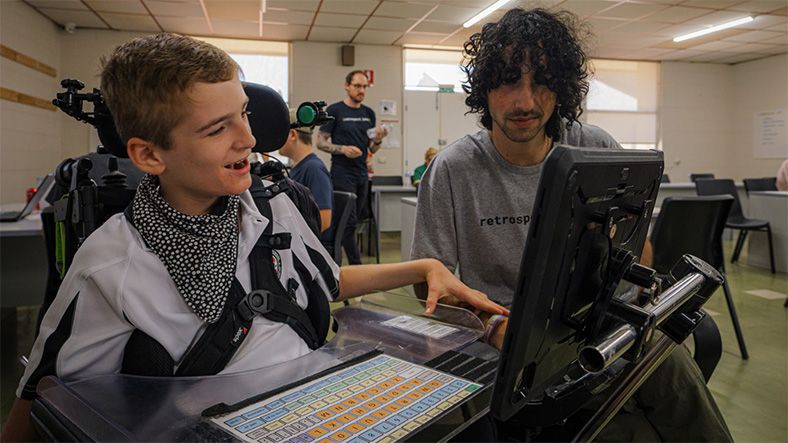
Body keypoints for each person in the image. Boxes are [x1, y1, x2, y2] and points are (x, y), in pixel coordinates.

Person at [0, 34, 508, 442]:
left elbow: (325, 281)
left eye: (243, 113)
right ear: (150, 155)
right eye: (217, 127)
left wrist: (419, 268)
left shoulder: (275, 205)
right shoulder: (110, 264)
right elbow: (43, 397)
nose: (247, 137)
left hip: (317, 409)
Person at [411, 8, 732, 442]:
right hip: (507, 347)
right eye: (508, 82)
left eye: (542, 81)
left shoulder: (595, 148)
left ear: (560, 87)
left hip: (602, 328)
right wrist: (491, 328)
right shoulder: (453, 170)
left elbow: (642, 254)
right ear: (484, 90)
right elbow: (429, 286)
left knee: (671, 372)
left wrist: (610, 248)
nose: (525, 101)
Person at [316, 71, 388, 265]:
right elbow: (320, 143)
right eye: (357, 86)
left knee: (352, 224)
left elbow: (371, 148)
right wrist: (342, 149)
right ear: (347, 86)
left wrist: (379, 140)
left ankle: (336, 263)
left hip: (362, 175)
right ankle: (354, 265)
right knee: (347, 221)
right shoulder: (335, 111)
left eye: (364, 87)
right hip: (341, 173)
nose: (361, 90)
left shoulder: (368, 114)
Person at [279, 109, 332, 232]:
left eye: (280, 133)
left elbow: (324, 221)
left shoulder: (314, 169)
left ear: (292, 134)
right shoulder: (298, 168)